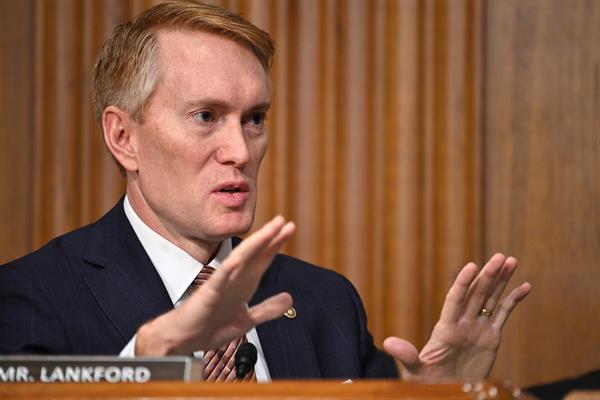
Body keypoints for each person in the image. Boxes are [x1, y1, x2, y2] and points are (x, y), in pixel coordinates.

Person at [0, 0, 531, 382]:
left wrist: (438, 398)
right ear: (123, 137)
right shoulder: (30, 297)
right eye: (206, 116)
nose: (239, 150)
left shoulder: (326, 302)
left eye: (254, 119)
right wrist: (144, 363)